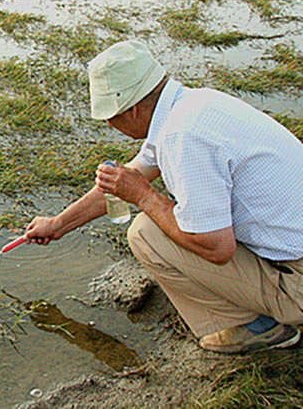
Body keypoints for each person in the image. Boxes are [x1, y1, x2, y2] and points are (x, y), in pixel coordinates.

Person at [24, 40, 303, 354]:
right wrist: (59, 224)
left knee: (146, 234)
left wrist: (143, 196)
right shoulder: (192, 105)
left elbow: (217, 248)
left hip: (298, 285)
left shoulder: (183, 137)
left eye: (110, 117)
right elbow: (134, 173)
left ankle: (257, 329)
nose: (108, 124)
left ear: (132, 109)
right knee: (161, 223)